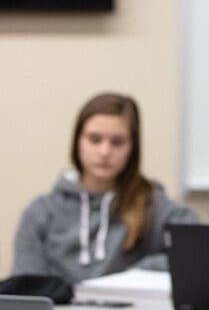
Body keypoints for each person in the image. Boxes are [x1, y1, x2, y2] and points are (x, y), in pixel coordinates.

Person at [12, 93, 199, 283]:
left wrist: (136, 274)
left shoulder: (155, 207)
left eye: (117, 142)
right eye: (95, 139)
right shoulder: (41, 212)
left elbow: (196, 255)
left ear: (132, 148)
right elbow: (25, 288)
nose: (105, 152)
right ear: (78, 141)